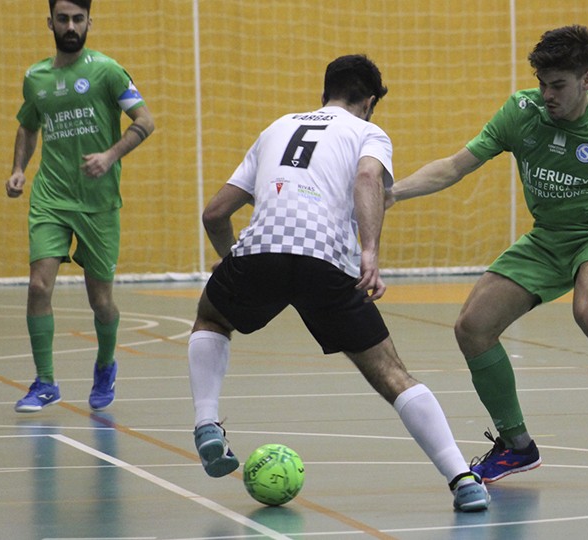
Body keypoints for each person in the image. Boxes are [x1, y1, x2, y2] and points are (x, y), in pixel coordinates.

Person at [387, 25, 588, 483]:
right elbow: (454, 166)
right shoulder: (520, 113)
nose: (548, 94)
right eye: (542, 83)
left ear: (587, 80)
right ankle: (516, 446)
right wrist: (392, 193)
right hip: (547, 238)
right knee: (472, 328)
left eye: (559, 85)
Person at [186, 54, 489, 512]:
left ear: (323, 93)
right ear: (368, 102)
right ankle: (463, 479)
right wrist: (369, 251)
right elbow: (368, 177)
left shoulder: (277, 127)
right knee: (391, 373)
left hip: (260, 251)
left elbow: (214, 214)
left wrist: (239, 264)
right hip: (326, 262)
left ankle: (207, 424)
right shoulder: (367, 132)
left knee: (212, 318)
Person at [6, 0, 155, 413]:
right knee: (38, 286)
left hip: (99, 203)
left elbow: (145, 121)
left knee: (100, 301)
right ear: (49, 22)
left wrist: (109, 156)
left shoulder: (107, 71)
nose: (70, 26)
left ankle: (105, 365)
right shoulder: (35, 77)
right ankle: (45, 382)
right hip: (51, 198)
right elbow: (28, 124)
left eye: (78, 19)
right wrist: (19, 169)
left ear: (90, 21)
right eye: (62, 19)